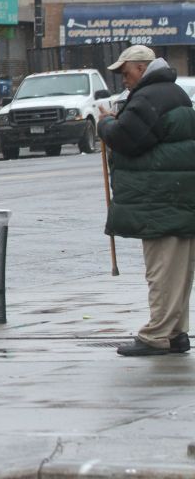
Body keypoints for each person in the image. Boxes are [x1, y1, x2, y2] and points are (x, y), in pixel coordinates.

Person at [97, 45, 195, 357]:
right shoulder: (173, 93)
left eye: (125, 73)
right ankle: (175, 332)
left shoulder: (150, 97)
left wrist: (105, 124)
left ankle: (156, 335)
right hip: (177, 198)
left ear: (141, 68)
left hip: (160, 202)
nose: (124, 80)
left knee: (162, 272)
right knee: (178, 273)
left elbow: (125, 138)